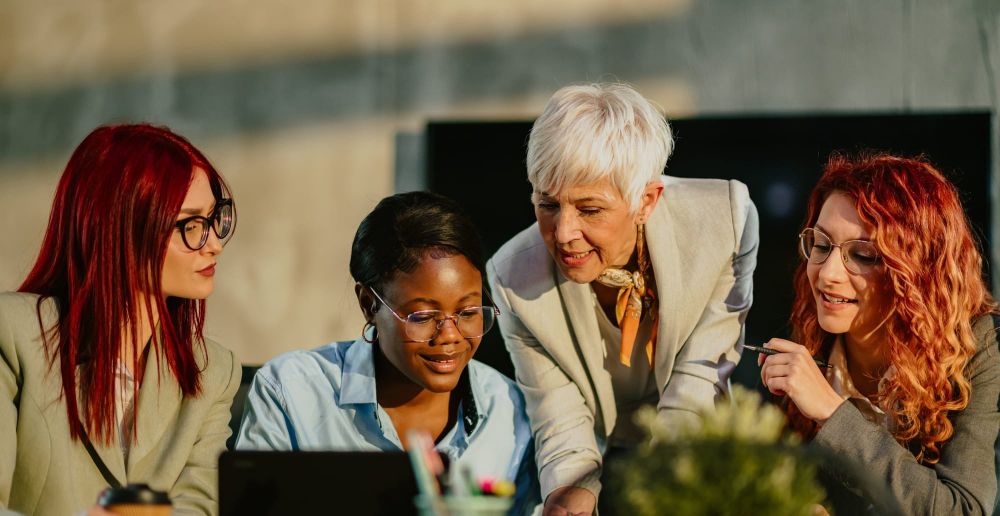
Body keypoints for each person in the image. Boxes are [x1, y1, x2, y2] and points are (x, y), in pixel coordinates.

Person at [487, 82, 759, 514]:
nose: (563, 234)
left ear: (646, 201)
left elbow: (699, 378)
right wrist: (567, 493)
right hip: (599, 442)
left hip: (695, 445)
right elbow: (556, 413)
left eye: (589, 210)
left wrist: (665, 495)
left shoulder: (725, 221)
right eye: (548, 204)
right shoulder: (511, 277)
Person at [236, 191, 539, 514]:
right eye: (422, 317)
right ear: (368, 304)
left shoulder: (510, 412)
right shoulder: (292, 393)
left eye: (467, 313)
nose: (450, 336)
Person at [0, 124, 241, 515]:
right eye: (191, 225)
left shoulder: (212, 370)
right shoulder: (12, 334)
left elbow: (200, 507)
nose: (213, 243)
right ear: (122, 228)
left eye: (216, 219)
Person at [760, 154, 1000, 515]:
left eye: (863, 255)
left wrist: (832, 412)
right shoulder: (807, 342)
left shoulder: (976, 347)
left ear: (919, 269)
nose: (827, 275)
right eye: (822, 246)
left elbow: (963, 509)